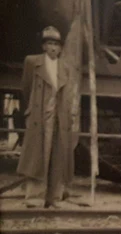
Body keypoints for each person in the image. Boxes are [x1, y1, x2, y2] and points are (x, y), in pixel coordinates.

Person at [17, 26, 74, 208]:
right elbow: (26, 88)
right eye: (49, 43)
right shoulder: (32, 62)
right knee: (37, 156)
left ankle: (54, 198)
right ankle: (35, 197)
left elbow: (68, 94)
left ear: (61, 47)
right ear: (43, 46)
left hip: (59, 117)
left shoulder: (64, 67)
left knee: (57, 156)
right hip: (40, 116)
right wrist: (33, 110)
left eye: (56, 44)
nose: (53, 48)